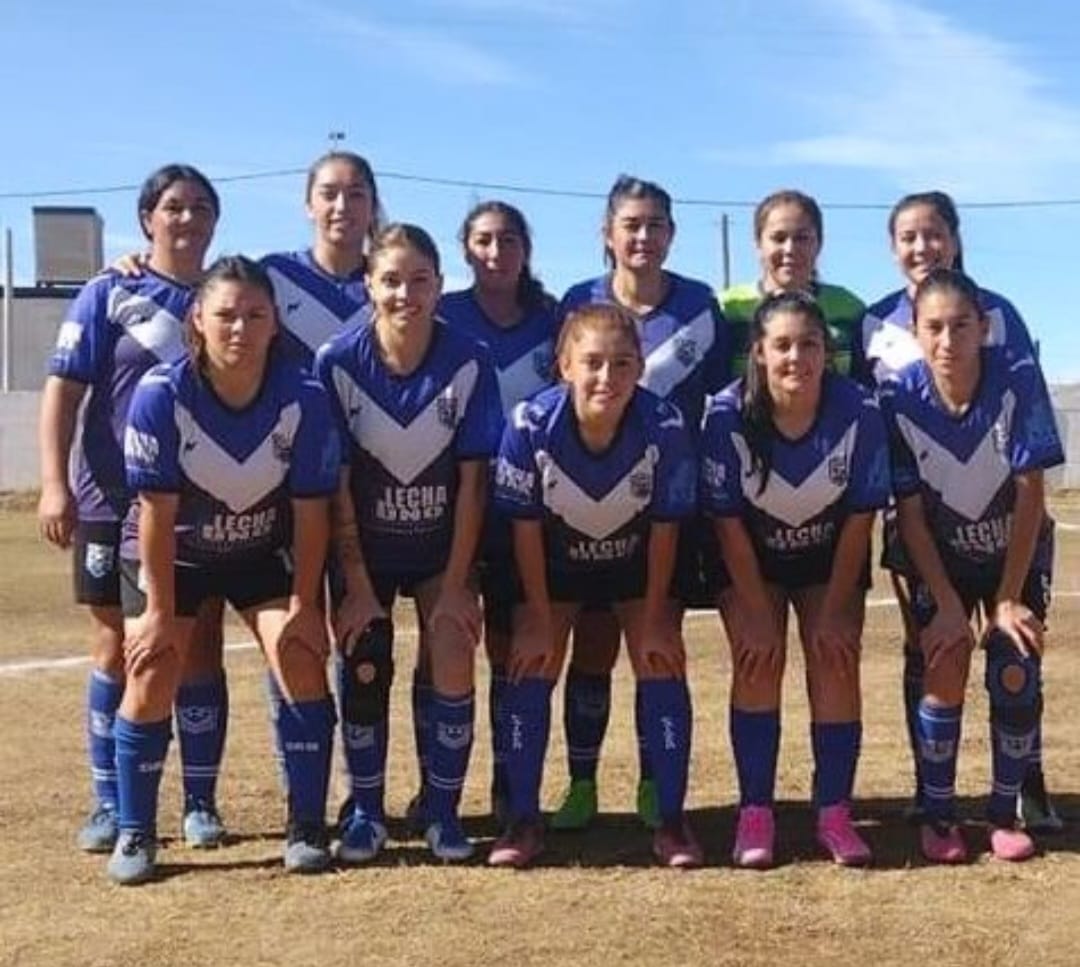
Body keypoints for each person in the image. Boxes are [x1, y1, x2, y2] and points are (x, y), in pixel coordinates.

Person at [108, 255, 340, 884]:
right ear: (197, 321)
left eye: (255, 315)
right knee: (153, 666)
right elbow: (156, 513)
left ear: (275, 324)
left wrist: (305, 606)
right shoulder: (163, 394)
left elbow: (312, 513)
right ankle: (135, 830)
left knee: (299, 653)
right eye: (226, 315)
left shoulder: (304, 396)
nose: (240, 328)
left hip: (259, 555)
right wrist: (158, 613)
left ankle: (306, 825)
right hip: (173, 557)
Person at [39, 164, 231, 854]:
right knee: (117, 645)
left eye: (201, 207)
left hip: (194, 503)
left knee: (199, 642)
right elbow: (63, 392)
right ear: (148, 218)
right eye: (173, 206)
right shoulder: (108, 291)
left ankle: (200, 801)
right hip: (109, 497)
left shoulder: (224, 297)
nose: (188, 218)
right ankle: (110, 800)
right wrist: (54, 484)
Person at [853, 191, 1059, 832]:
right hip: (921, 518)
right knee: (931, 650)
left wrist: (1008, 593)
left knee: (1015, 655)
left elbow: (1028, 470)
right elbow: (867, 417)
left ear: (955, 237)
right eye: (908, 237)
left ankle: (1024, 786)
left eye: (934, 233)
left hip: (1003, 516)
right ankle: (931, 792)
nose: (922, 246)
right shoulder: (873, 324)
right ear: (892, 248)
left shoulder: (998, 316)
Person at [488, 303, 701, 869]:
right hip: (555, 567)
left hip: (636, 565)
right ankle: (522, 821)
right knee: (531, 660)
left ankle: (673, 822)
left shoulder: (664, 426)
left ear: (640, 369)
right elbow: (524, 529)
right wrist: (538, 617)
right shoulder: (529, 425)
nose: (608, 377)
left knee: (659, 656)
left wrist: (654, 617)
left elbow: (666, 529)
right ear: (565, 366)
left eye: (623, 363)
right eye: (593, 362)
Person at [316, 223, 502, 863]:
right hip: (365, 551)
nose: (405, 294)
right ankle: (366, 812)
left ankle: (442, 812)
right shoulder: (337, 362)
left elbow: (474, 484)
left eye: (419, 280)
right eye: (391, 280)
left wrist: (457, 585)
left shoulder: (470, 359)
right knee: (364, 657)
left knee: (451, 647)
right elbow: (337, 482)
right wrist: (355, 585)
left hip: (439, 550)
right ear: (368, 285)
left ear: (439, 286)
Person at [553, 175, 730, 832]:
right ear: (608, 233)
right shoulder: (578, 302)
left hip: (667, 512)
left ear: (671, 234)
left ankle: (657, 785)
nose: (643, 236)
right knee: (593, 645)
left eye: (656, 224)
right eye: (631, 224)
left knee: (657, 643)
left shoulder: (700, 306)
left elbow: (723, 400)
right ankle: (582, 783)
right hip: (588, 504)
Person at [700, 291, 890, 869]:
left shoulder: (859, 411)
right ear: (758, 352)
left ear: (827, 353)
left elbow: (860, 520)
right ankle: (755, 811)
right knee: (758, 659)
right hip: (750, 559)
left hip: (829, 558)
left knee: (835, 659)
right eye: (782, 345)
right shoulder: (727, 415)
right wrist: (757, 614)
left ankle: (833, 812)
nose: (796, 358)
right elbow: (727, 523)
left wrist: (833, 612)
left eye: (809, 345)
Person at [437, 201, 559, 825]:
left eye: (508, 239)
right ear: (465, 248)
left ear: (526, 248)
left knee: (511, 651)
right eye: (483, 240)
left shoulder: (551, 317)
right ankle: (438, 788)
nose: (496, 252)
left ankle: (511, 784)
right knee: (445, 644)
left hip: (525, 510)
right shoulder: (442, 313)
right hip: (454, 503)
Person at [720, 189, 864, 377]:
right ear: (758, 243)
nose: (790, 249)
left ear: (819, 244)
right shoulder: (726, 310)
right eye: (778, 238)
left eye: (802, 238)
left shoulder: (849, 309)